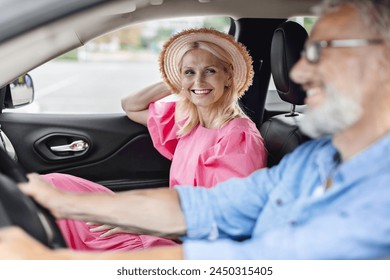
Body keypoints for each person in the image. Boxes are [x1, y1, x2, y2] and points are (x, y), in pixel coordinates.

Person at [1, 0, 390, 260]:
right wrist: (67, 204)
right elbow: (212, 208)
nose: (300, 73)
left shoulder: (380, 194)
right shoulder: (315, 159)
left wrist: (57, 263)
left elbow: (259, 259)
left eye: (321, 52)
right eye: (304, 55)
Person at [38, 28, 267, 251]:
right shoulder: (189, 122)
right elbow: (131, 106)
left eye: (210, 71)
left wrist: (143, 223)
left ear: (228, 76)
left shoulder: (238, 138)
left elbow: (227, 219)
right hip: (168, 222)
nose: (199, 81)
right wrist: (177, 83)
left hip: (192, 244)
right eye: (189, 72)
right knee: (55, 185)